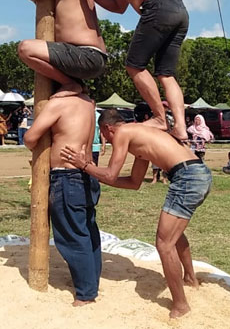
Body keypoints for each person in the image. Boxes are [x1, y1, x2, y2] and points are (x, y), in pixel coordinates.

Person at [61, 109, 211, 318]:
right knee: (173, 233)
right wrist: (95, 174)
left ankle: (180, 304)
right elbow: (134, 183)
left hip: (188, 177)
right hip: (197, 173)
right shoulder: (141, 140)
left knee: (164, 243)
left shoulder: (123, 132)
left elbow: (112, 174)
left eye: (106, 138)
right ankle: (190, 278)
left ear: (108, 129)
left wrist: (84, 166)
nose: (110, 143)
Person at [67, 0, 190, 142]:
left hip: (157, 5)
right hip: (177, 9)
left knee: (134, 66)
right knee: (166, 74)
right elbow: (119, 7)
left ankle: (161, 118)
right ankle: (180, 127)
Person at [24, 93, 101, 307]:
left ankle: (86, 293)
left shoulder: (58, 103)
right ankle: (91, 282)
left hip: (66, 175)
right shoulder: (88, 102)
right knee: (87, 230)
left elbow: (30, 138)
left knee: (73, 235)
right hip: (86, 172)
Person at [19, 0, 107, 97]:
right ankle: (74, 84)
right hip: (95, 57)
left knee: (25, 48)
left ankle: (70, 83)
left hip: (85, 55)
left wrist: (37, 2)